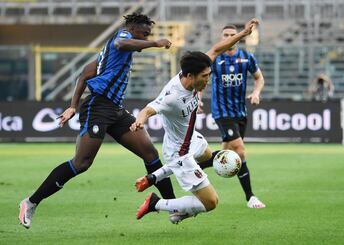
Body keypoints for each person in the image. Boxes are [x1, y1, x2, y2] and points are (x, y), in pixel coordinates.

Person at [18, 12, 176, 229]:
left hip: (116, 111)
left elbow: (84, 73)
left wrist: (72, 106)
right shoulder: (121, 38)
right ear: (132, 28)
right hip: (98, 107)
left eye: (149, 35)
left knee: (150, 153)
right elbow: (122, 43)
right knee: (82, 163)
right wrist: (155, 43)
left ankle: (174, 206)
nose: (145, 38)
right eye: (144, 34)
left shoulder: (109, 53)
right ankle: (31, 202)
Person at [131, 18, 259, 224]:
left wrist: (243, 34)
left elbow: (217, 49)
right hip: (178, 152)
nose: (208, 81)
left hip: (191, 139)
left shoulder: (194, 71)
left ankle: (153, 178)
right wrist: (140, 120)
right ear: (190, 76)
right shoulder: (172, 96)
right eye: (205, 77)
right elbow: (148, 109)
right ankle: (156, 203)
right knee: (211, 202)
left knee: (209, 156)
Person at [197, 24, 266, 209]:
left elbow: (259, 78)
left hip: (240, 113)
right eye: (226, 35)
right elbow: (201, 80)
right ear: (221, 37)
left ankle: (195, 167)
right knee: (240, 151)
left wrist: (256, 92)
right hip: (222, 112)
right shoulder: (215, 58)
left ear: (238, 37)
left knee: (227, 154)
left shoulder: (246, 57)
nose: (229, 37)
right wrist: (199, 99)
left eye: (232, 35)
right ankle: (250, 197)